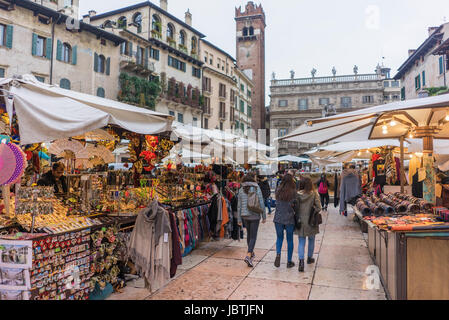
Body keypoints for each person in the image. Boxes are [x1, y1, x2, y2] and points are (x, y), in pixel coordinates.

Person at [237, 173, 267, 267]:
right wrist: (264, 215)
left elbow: (239, 205)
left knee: (249, 235)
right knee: (253, 236)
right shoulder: (256, 187)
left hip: (245, 216)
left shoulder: (241, 189)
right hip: (254, 215)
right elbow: (261, 201)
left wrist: (239, 218)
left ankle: (251, 253)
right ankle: (249, 255)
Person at [294, 177, 322, 272]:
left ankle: (301, 262)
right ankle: (309, 258)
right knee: (311, 240)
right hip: (311, 221)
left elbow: (294, 207)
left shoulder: (297, 195)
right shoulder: (314, 194)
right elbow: (319, 207)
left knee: (301, 242)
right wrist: (313, 211)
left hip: (300, 221)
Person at [273, 174, 297, 269]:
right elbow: (295, 204)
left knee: (279, 238)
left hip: (278, 218)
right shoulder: (293, 192)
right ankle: (289, 261)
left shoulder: (278, 190)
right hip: (289, 218)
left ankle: (278, 254)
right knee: (290, 240)